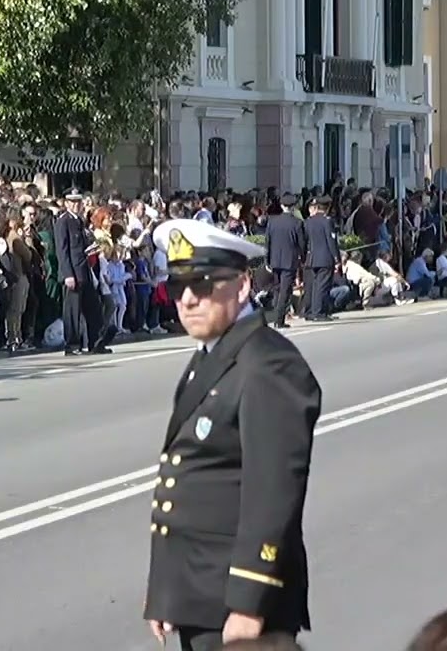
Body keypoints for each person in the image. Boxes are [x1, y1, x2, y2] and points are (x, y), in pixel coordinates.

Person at [143, 219, 322, 651]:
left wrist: (248, 605)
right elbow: (192, 479)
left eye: (202, 285)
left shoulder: (269, 364)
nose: (187, 299)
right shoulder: (214, 355)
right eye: (178, 285)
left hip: (235, 604)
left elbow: (272, 495)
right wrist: (167, 592)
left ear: (242, 286)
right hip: (199, 594)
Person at [54, 187, 112, 356]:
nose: (76, 205)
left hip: (84, 269)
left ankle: (96, 342)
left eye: (78, 201)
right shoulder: (63, 221)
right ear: (66, 203)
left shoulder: (79, 221)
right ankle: (72, 345)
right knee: (72, 311)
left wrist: (91, 248)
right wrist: (68, 274)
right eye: (72, 202)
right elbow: (62, 250)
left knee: (93, 307)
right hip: (73, 272)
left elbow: (80, 247)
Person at [263, 193, 304, 328]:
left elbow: (267, 243)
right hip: (289, 261)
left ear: (281, 206)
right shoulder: (297, 223)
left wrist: (267, 261)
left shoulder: (272, 221)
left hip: (275, 260)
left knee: (277, 289)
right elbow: (301, 244)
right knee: (285, 291)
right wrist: (302, 259)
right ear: (293, 207)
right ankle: (279, 320)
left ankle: (276, 316)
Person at [301, 196, 338, 321]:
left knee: (313, 286)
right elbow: (331, 241)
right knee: (323, 286)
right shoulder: (327, 221)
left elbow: (304, 241)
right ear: (327, 208)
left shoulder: (307, 222)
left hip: (311, 258)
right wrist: (336, 258)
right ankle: (319, 312)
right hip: (325, 257)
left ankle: (310, 311)